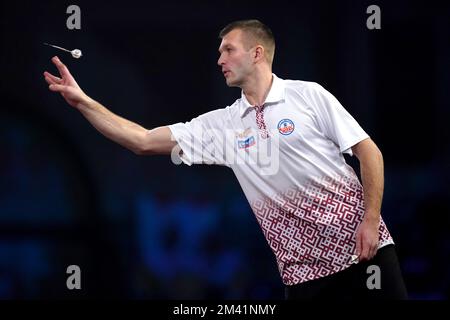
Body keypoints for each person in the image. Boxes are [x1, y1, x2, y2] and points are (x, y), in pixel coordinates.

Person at [43, 19, 407, 300]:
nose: (219, 59)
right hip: (302, 278)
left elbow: (368, 152)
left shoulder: (308, 96)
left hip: (362, 254)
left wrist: (371, 219)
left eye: (228, 50)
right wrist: (83, 102)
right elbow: (141, 140)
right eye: (219, 52)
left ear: (257, 53)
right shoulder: (223, 126)